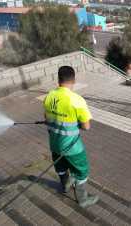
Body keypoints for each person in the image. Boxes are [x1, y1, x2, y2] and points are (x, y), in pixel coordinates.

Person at [43, 66, 99, 208]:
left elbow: (47, 119)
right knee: (82, 171)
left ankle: (65, 186)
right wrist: (77, 124)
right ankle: (82, 199)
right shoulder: (76, 100)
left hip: (54, 144)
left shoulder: (49, 96)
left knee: (61, 167)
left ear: (58, 79)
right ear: (73, 80)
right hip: (73, 148)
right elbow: (86, 126)